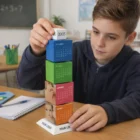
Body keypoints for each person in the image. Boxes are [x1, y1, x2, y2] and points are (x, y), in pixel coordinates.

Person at [17, 0, 140, 132]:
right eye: (95, 32)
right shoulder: (73, 52)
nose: (99, 43)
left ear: (129, 38)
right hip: (69, 131)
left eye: (111, 37)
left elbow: (137, 99)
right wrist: (36, 51)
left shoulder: (135, 63)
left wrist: (108, 111)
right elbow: (28, 83)